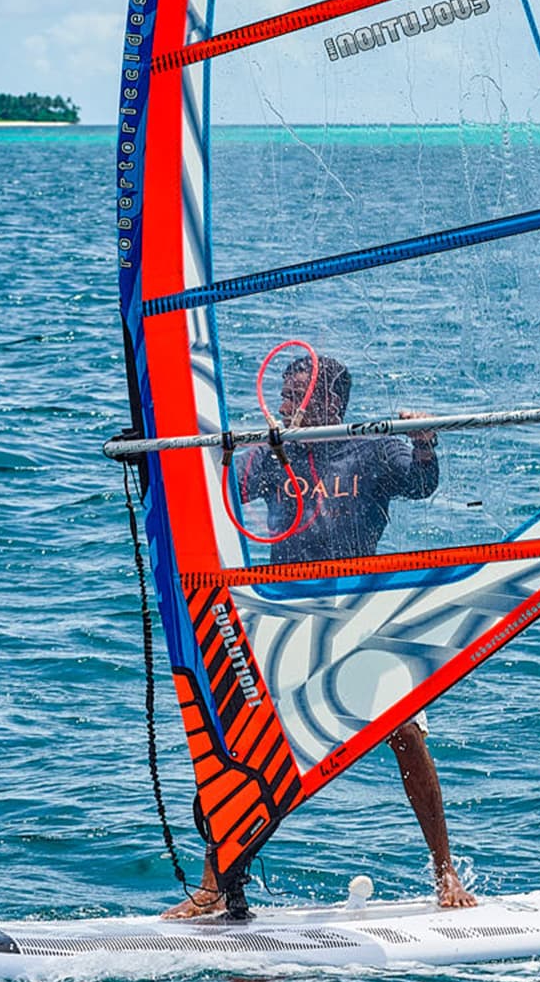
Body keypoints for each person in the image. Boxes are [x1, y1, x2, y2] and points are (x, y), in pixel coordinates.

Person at [164, 354, 478, 917]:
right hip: (287, 612)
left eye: (297, 395)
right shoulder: (272, 453)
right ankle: (216, 884)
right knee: (239, 741)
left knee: (406, 733)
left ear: (331, 403)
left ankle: (445, 873)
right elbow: (223, 496)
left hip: (361, 607)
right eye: (283, 394)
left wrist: (427, 440)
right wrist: (221, 451)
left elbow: (421, 484)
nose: (285, 404)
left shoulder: (373, 447)